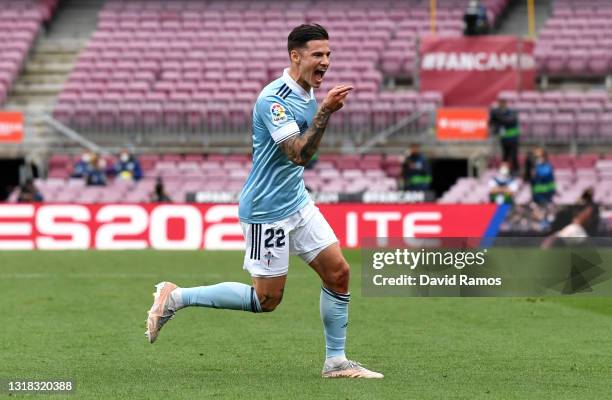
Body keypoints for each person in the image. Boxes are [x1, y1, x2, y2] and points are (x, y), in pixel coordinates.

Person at [145, 24, 383, 379]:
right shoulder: (274, 99)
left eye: (329, 54)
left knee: (339, 273)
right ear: (295, 56)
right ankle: (176, 297)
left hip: (297, 201)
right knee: (266, 300)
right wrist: (326, 113)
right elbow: (298, 154)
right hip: (267, 211)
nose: (326, 62)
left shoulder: (307, 92)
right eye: (318, 54)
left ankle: (336, 362)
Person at [489, 99, 520, 174]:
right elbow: (492, 123)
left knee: (513, 155)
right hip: (504, 138)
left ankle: (515, 171)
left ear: (505, 104)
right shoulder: (498, 113)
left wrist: (498, 117)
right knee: (505, 156)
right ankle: (504, 172)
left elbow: (510, 121)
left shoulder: (511, 112)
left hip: (513, 138)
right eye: (500, 104)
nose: (501, 106)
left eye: (502, 104)